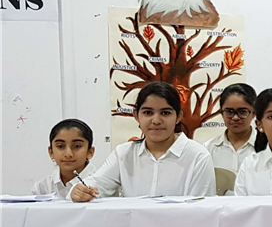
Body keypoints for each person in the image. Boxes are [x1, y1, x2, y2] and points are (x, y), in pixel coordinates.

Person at [70, 82, 215, 201]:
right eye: (148, 112)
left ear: (178, 117)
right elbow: (96, 184)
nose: (156, 120)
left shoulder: (198, 156)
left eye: (165, 113)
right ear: (136, 116)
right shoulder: (124, 153)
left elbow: (201, 209)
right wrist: (79, 191)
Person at [32, 119, 96, 198]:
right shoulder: (42, 188)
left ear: (90, 152)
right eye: (60, 146)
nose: (68, 154)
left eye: (77, 146)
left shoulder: (100, 184)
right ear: (51, 152)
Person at [203, 83, 258, 172]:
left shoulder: (269, 147)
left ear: (254, 113)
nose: (235, 118)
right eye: (229, 112)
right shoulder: (208, 149)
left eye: (242, 111)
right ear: (221, 113)